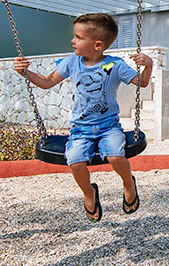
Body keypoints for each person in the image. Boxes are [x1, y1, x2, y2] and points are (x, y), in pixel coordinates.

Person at [14, 12, 153, 222]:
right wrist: (25, 73)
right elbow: (46, 82)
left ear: (97, 45)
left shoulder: (114, 65)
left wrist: (148, 65)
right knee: (75, 162)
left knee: (116, 156)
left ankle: (128, 183)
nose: (73, 40)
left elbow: (141, 83)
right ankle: (89, 193)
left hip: (109, 127)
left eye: (78, 37)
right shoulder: (72, 62)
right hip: (81, 129)